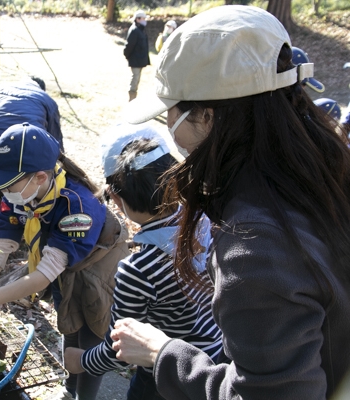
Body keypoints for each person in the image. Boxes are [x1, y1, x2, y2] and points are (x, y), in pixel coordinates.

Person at [116, 5, 350, 398]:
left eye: (169, 112)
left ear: (207, 116)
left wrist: (163, 354)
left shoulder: (254, 245)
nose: (170, 127)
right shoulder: (324, 171)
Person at [0, 123, 130, 399]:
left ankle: (85, 396)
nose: (3, 192)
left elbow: (43, 275)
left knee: (91, 337)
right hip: (63, 262)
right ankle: (70, 390)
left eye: (8, 183)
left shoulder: (76, 208)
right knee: (69, 324)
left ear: (41, 177)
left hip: (98, 266)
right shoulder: (21, 195)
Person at [63, 124, 223, 400]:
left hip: (165, 376)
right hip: (216, 362)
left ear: (115, 197)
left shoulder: (138, 271)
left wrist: (81, 360)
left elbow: (122, 350)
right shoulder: (209, 221)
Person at [0, 76, 63, 248]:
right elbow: (53, 136)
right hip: (31, 152)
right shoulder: (45, 98)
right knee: (28, 188)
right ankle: (30, 227)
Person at [124, 10, 150, 102]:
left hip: (140, 60)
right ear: (137, 19)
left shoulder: (141, 30)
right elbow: (129, 46)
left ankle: (133, 99)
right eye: (143, 18)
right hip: (135, 60)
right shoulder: (135, 30)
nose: (144, 20)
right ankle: (131, 100)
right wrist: (128, 56)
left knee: (137, 79)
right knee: (135, 79)